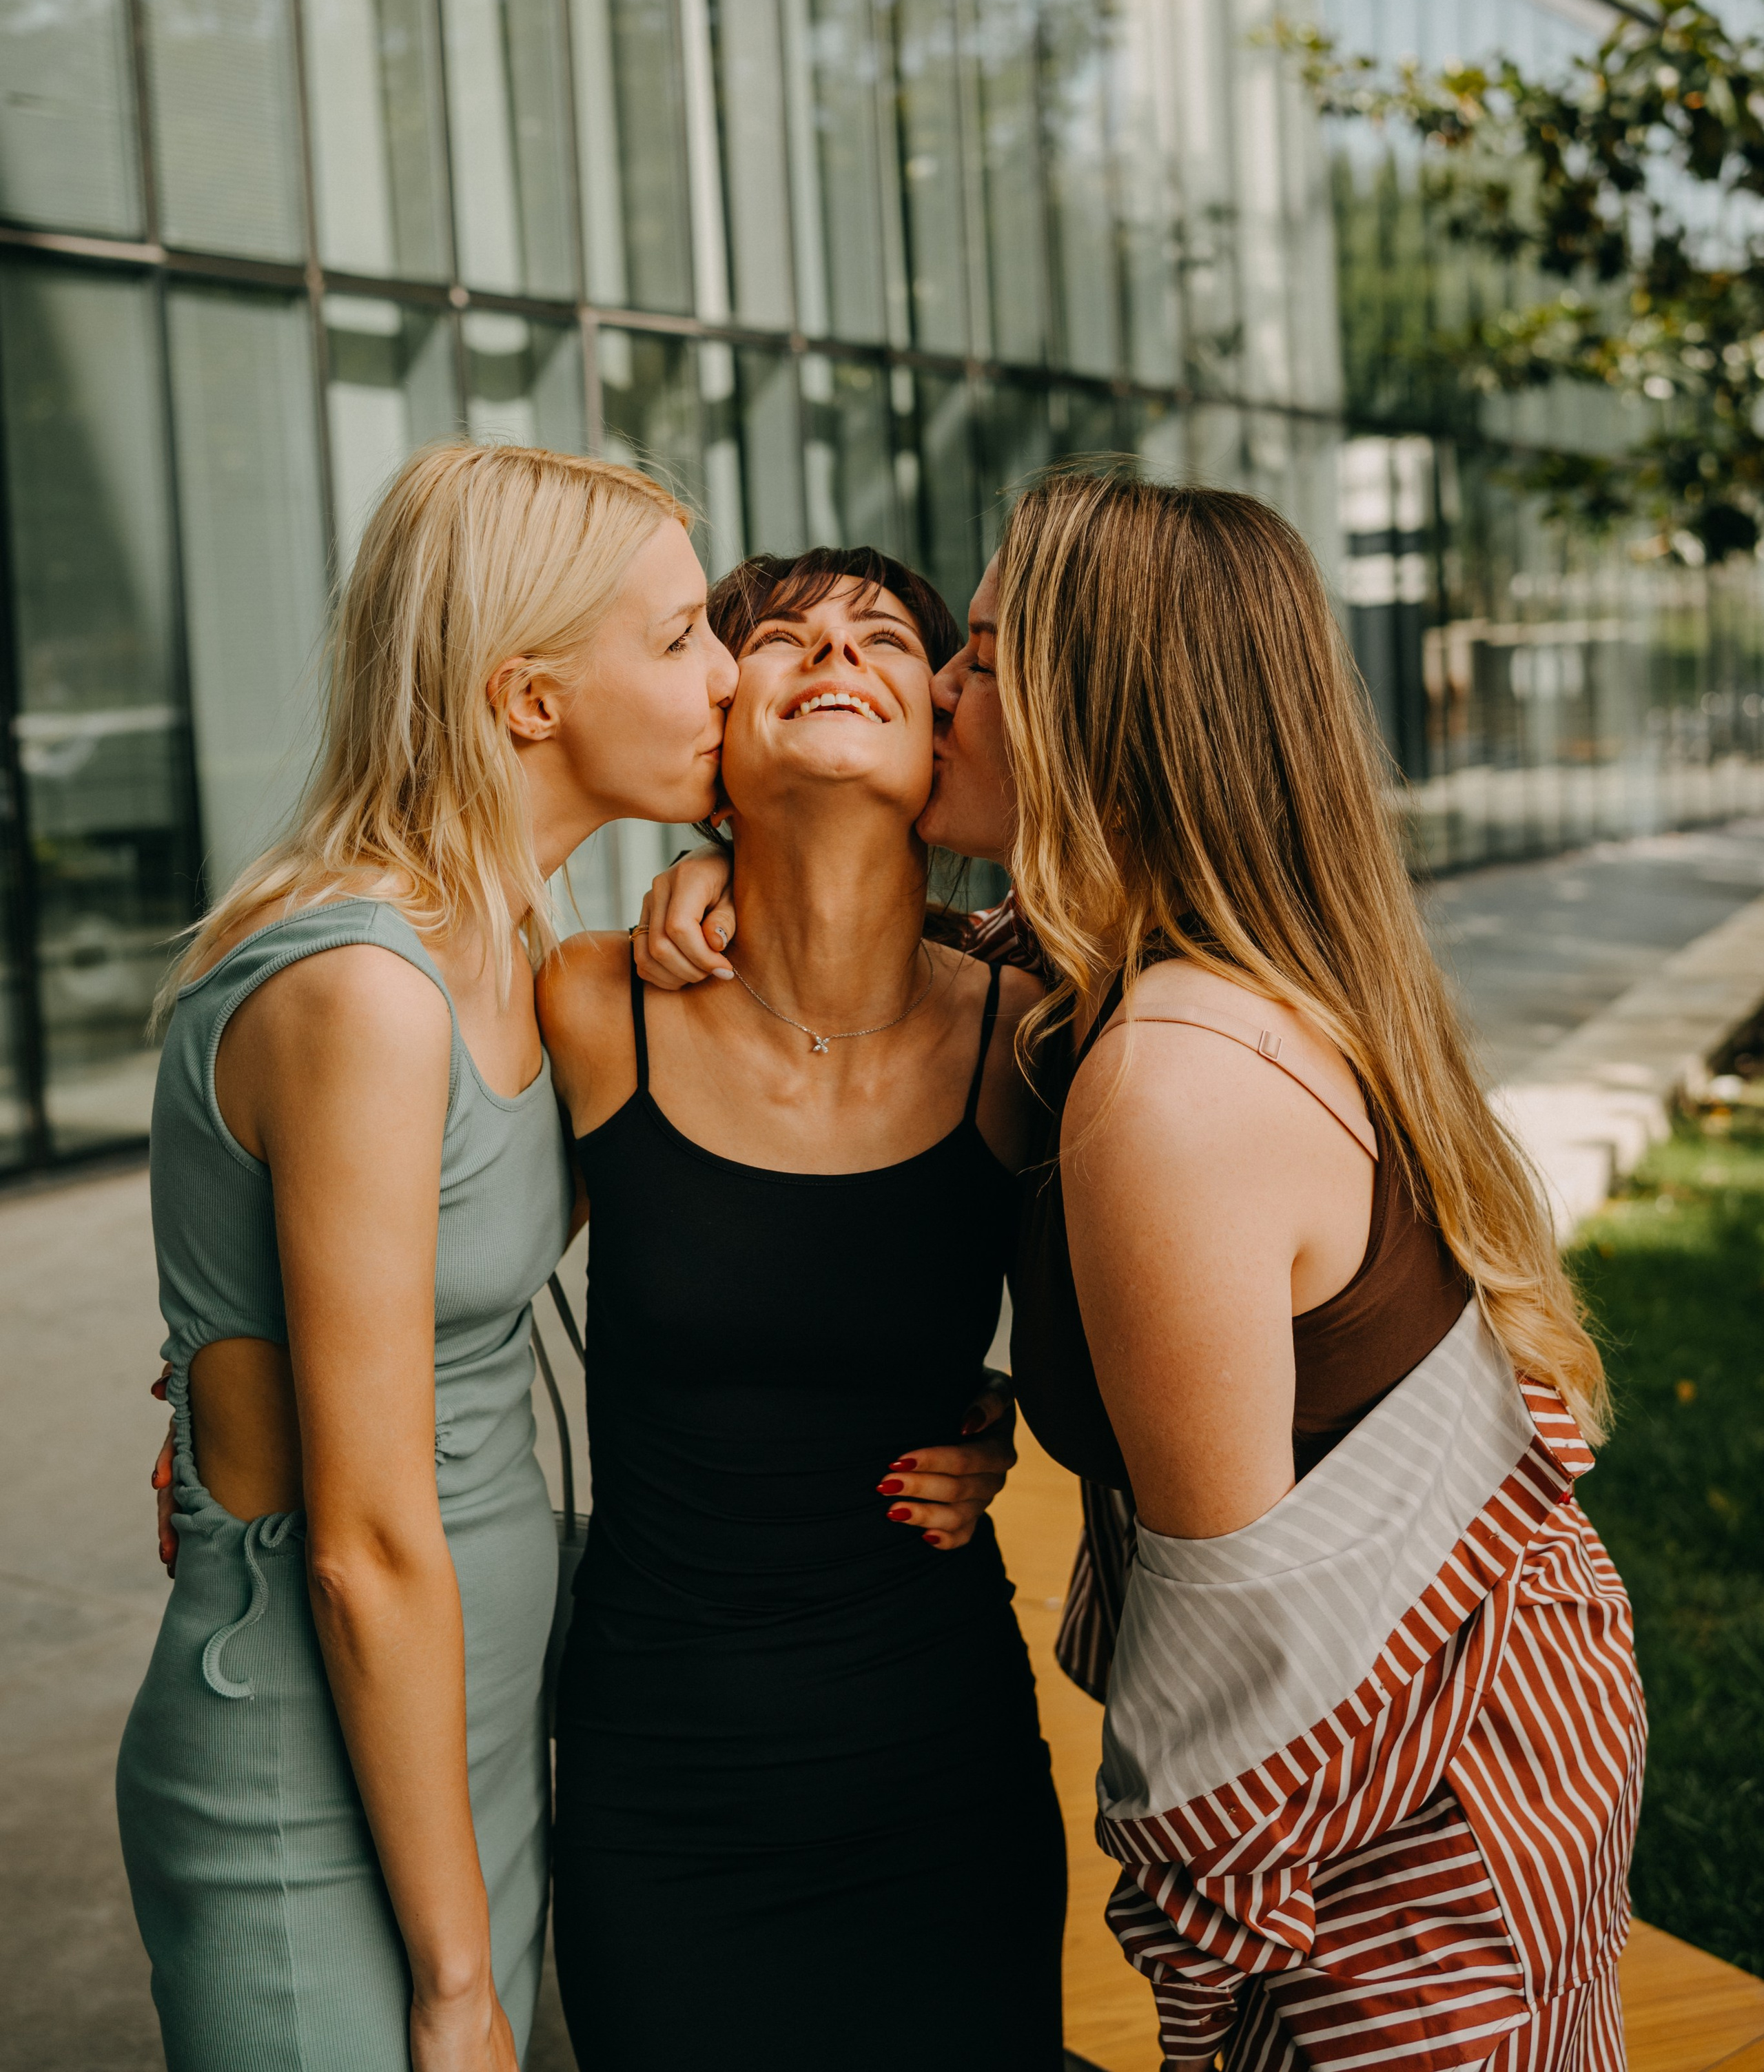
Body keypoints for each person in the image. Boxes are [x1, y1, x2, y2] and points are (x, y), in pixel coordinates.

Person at [643, 477, 1647, 2072]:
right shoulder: (1105, 977)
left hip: (1409, 1788)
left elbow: (1241, 1660)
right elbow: (905, 970)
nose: (939, 689)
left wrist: (1194, 1983)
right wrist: (731, 883)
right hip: (1422, 1701)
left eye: (975, 658)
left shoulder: (1168, 1080)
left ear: (1094, 718)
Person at [117, 445, 739, 2072]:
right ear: (528, 697)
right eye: (680, 635)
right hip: (310, 1770)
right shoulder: (366, 991)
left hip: (458, 1742)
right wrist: (460, 1979)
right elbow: (364, 1545)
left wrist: (709, 893)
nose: (728, 674)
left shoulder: (508, 949)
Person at [540, 544, 1067, 2072]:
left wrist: (1005, 1419)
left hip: (940, 1759)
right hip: (665, 1779)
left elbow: (1130, 1341)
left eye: (885, 637)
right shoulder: (590, 1003)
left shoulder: (1027, 1041)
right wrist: (224, 1387)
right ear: (717, 729)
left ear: (943, 737)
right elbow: (419, 1264)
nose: (835, 654)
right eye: (782, 638)